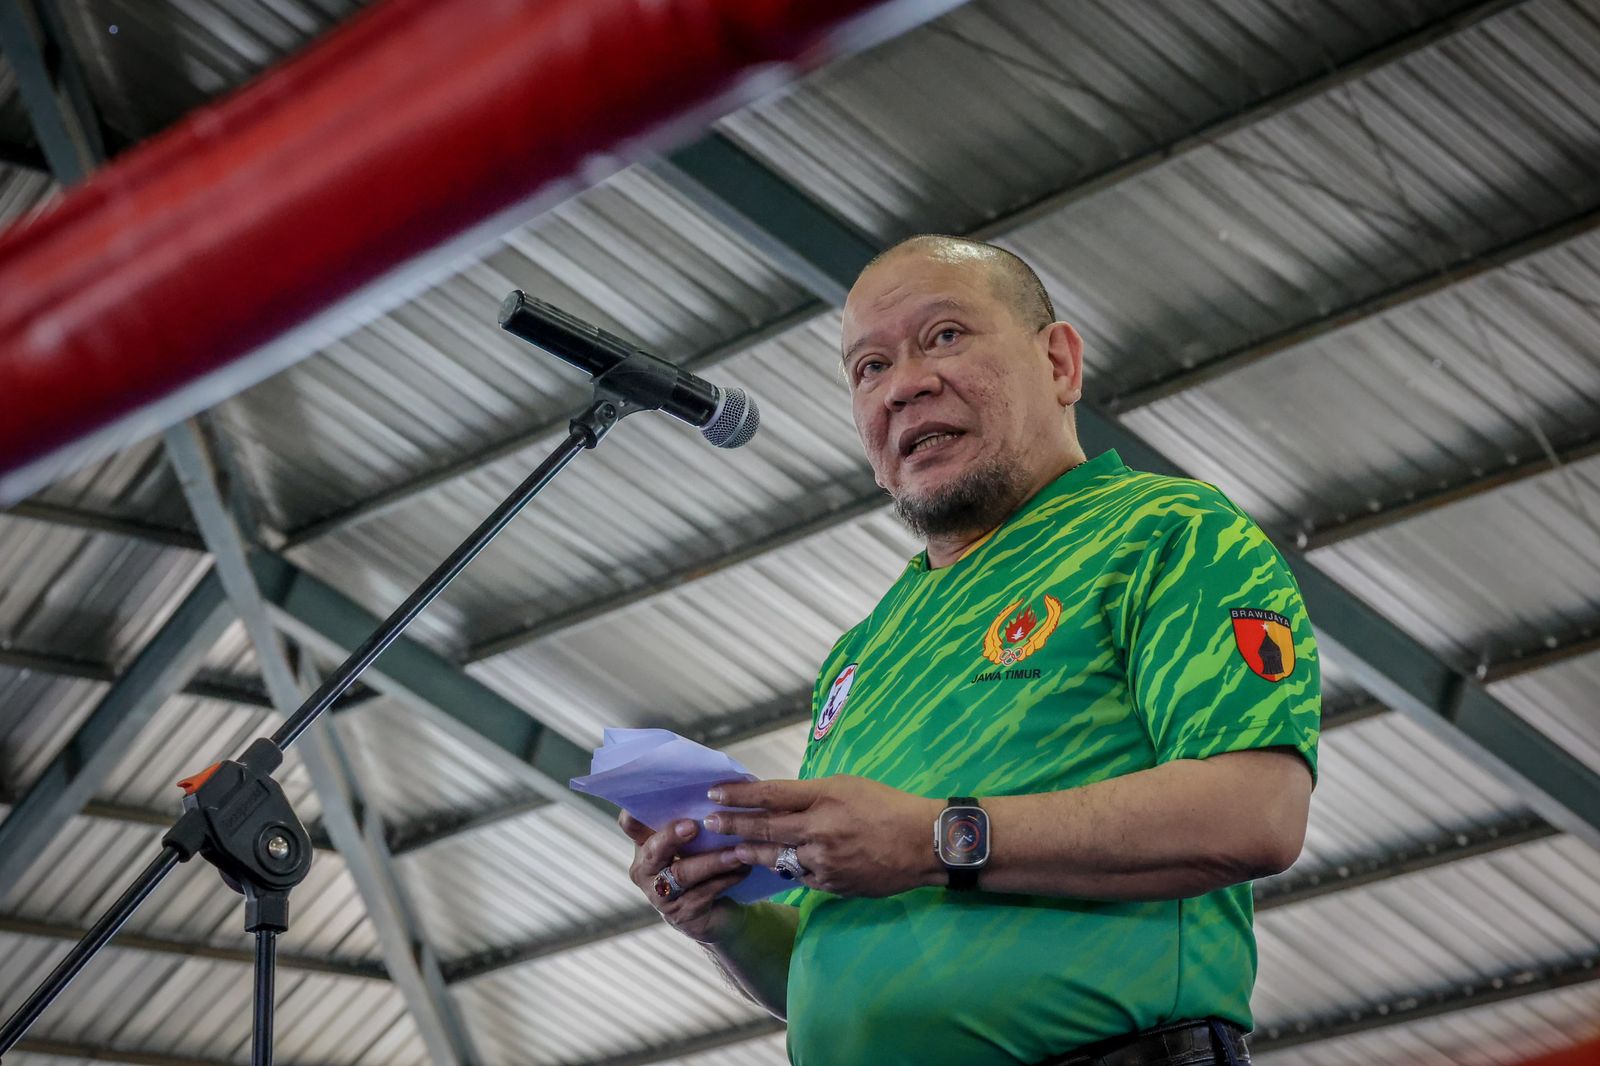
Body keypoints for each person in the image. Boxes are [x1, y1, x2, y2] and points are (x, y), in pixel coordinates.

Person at [616, 235, 1320, 1066]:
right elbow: (820, 971)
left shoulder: (1167, 531)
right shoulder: (864, 650)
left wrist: (932, 839)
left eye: (944, 336)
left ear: (1059, 363)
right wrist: (721, 923)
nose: (904, 385)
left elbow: (1255, 815)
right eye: (869, 367)